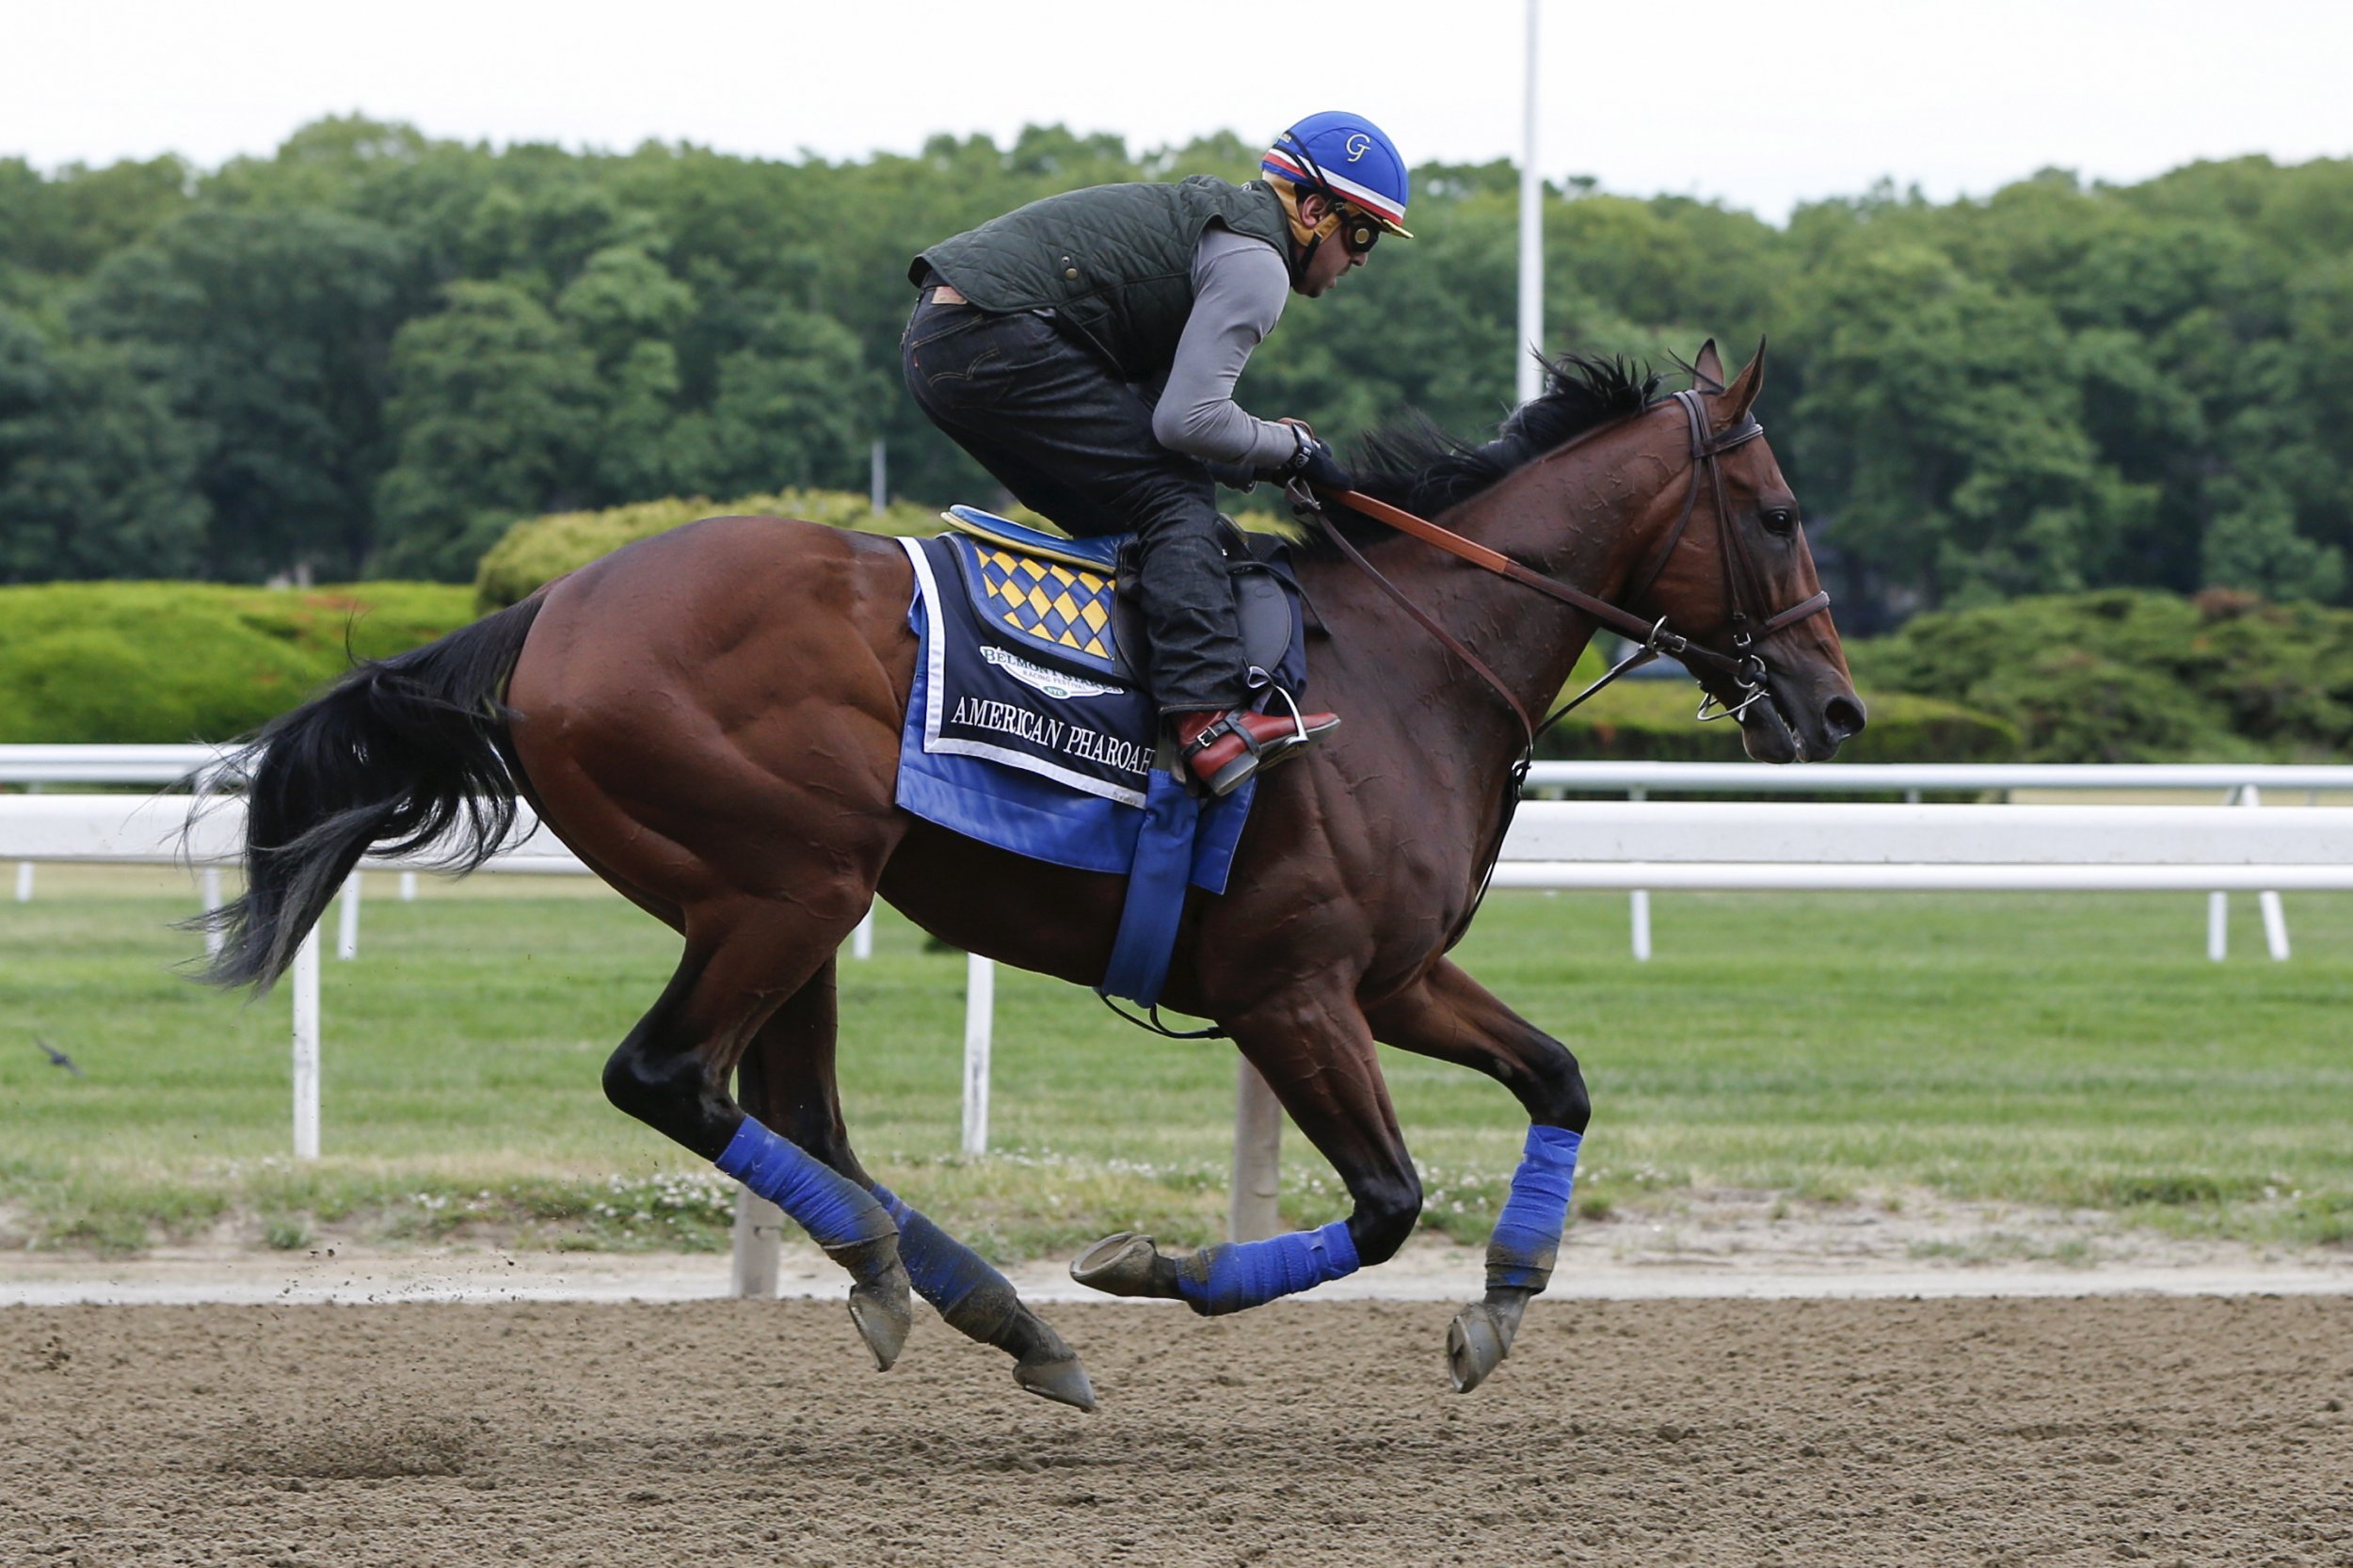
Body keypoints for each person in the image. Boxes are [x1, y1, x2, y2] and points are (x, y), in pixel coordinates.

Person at [902, 111, 1413, 797]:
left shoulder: (1225, 234)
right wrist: (1291, 449)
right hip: (991, 338)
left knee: (1142, 524)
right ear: (1315, 210)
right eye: (1362, 232)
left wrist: (1265, 458)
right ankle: (1206, 724)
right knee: (1174, 500)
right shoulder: (1256, 264)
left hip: (947, 342)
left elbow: (1157, 414)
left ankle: (1103, 724)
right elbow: (1187, 421)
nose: (1363, 257)